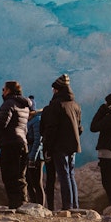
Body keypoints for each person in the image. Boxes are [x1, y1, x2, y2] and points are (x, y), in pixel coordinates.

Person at [40, 73, 82, 210]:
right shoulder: (75, 105)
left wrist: (47, 147)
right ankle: (74, 205)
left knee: (63, 175)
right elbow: (79, 128)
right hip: (73, 145)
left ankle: (67, 206)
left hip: (59, 146)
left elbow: (51, 129)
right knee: (70, 174)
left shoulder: (56, 105)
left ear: (57, 90)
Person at [0, 80, 31, 208]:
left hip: (10, 144)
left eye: (3, 89)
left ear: (8, 90)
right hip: (22, 143)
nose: (2, 92)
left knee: (9, 176)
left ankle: (14, 204)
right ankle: (23, 203)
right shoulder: (25, 106)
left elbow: (2, 123)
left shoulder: (8, 104)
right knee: (20, 176)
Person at [25, 96, 45, 206]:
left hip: (36, 157)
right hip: (30, 156)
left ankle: (40, 206)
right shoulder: (30, 120)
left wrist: (32, 157)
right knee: (29, 181)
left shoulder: (37, 120)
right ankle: (33, 205)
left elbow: (38, 140)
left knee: (37, 183)